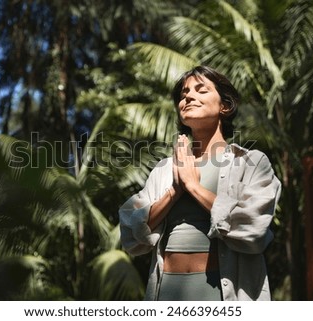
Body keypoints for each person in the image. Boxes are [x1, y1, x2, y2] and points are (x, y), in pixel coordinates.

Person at [119, 65, 281, 301]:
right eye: (184, 94)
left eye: (201, 90)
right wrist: (175, 190)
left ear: (224, 106)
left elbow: (254, 226)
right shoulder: (165, 169)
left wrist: (194, 187)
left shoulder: (251, 162)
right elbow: (131, 232)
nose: (188, 96)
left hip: (221, 294)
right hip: (167, 292)